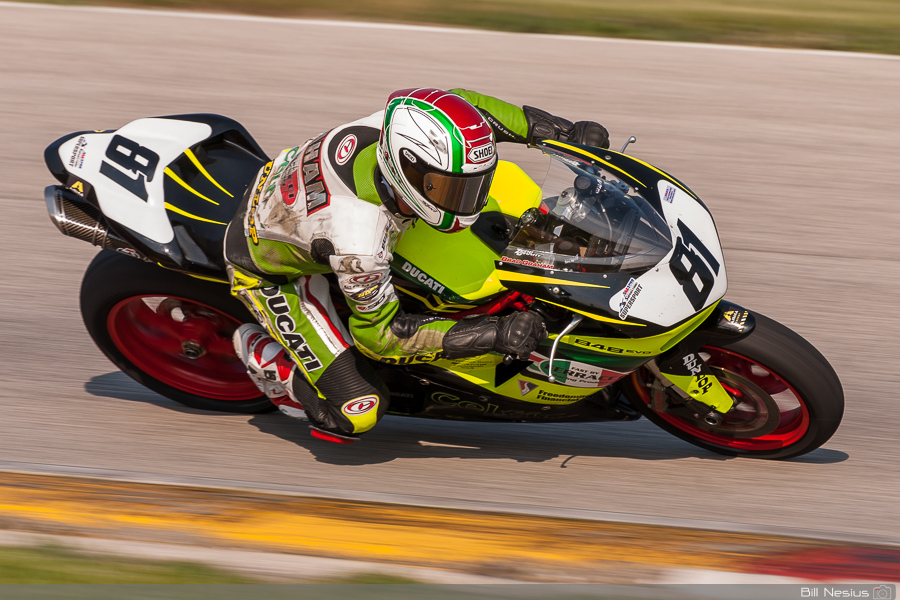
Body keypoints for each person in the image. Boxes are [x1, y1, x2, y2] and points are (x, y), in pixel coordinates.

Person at [225, 88, 609, 443]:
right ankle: (268, 359)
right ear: (406, 170)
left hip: (295, 200)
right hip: (272, 272)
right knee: (357, 411)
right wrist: (492, 333)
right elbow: (381, 337)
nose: (468, 200)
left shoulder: (407, 121)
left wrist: (560, 131)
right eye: (451, 189)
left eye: (475, 184)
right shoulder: (359, 240)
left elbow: (466, 106)